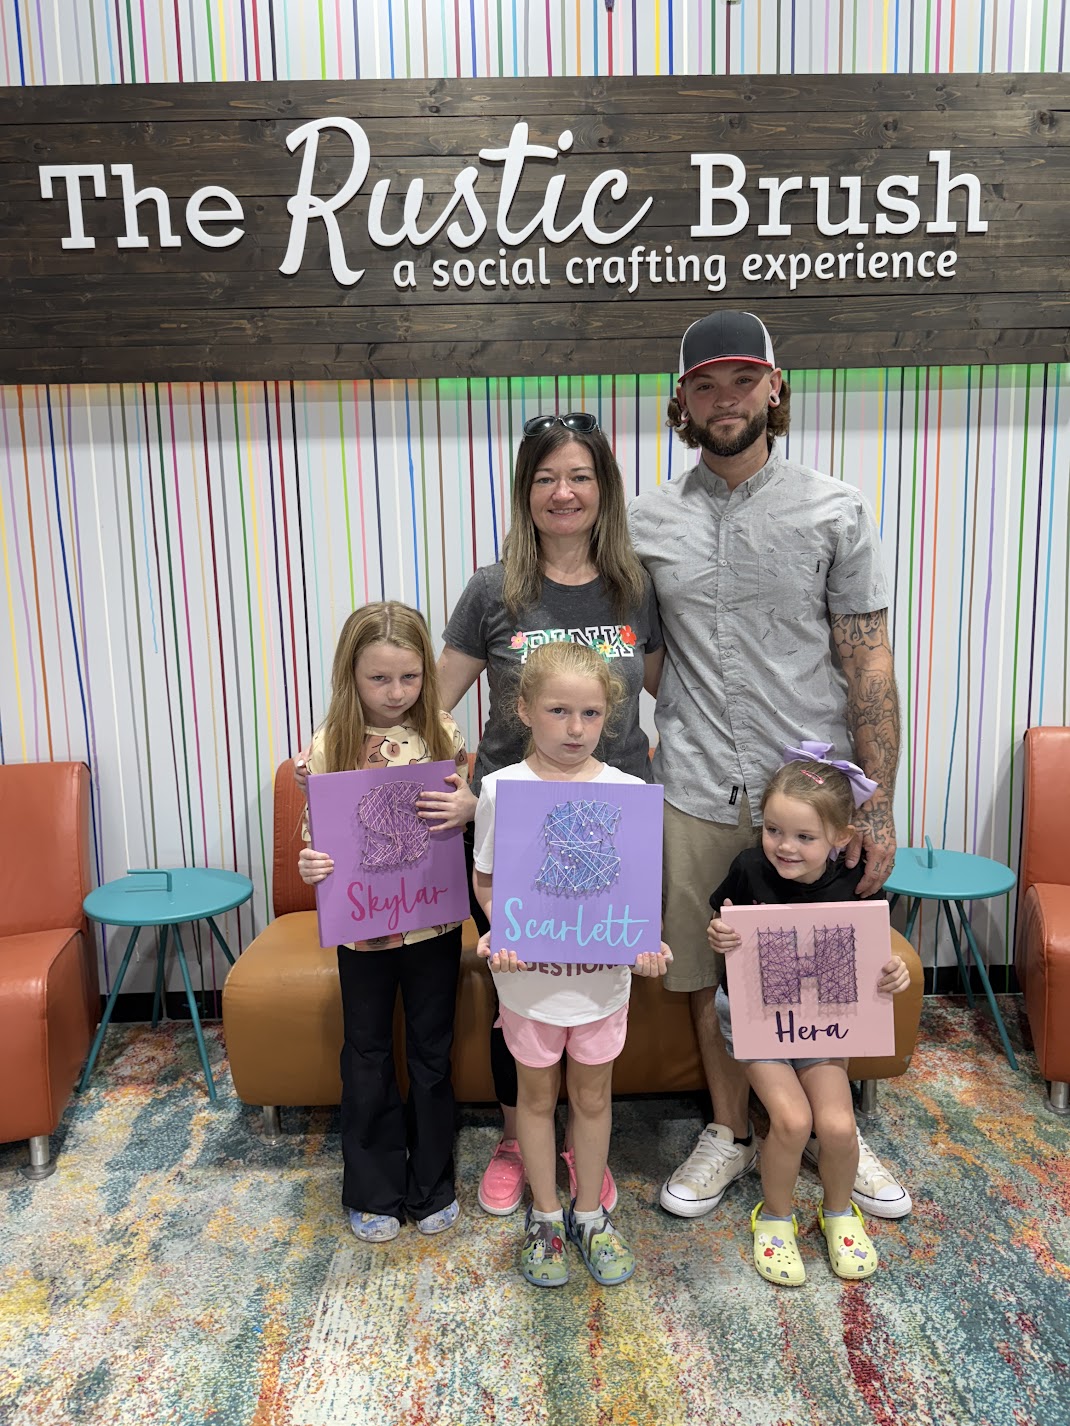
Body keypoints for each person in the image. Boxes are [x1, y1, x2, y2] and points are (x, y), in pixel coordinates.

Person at [628, 309, 908, 1222]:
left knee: (826, 969)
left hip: (815, 799)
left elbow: (867, 657)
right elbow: (645, 654)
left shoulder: (835, 507)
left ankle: (839, 1133)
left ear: (774, 387)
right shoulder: (645, 523)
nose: (725, 400)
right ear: (682, 399)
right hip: (700, 789)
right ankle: (730, 1130)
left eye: (742, 381)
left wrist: (879, 805)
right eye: (705, 384)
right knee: (715, 975)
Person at [423, 411, 664, 1219]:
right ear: (527, 492)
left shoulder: (635, 585)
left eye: (580, 477)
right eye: (546, 478)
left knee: (594, 1002)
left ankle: (580, 1147)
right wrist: (453, 788)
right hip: (511, 825)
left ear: (604, 489)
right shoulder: (493, 590)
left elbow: (669, 691)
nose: (564, 493)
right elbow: (436, 706)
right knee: (516, 991)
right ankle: (510, 1137)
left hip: (612, 824)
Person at [471, 641, 671, 1287]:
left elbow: (640, 891)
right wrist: (500, 928)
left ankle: (590, 1214)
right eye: (559, 711)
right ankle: (547, 1215)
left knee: (591, 1098)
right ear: (525, 709)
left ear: (608, 717)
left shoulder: (628, 793)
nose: (575, 728)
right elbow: (487, 880)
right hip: (527, 985)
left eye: (589, 714)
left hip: (601, 987)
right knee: (534, 1101)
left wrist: (649, 943)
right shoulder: (502, 790)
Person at [297, 601, 469, 1244]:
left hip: (432, 924)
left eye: (409, 677)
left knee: (432, 1050)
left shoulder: (443, 735)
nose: (396, 693)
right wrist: (311, 864)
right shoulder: (328, 745)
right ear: (351, 675)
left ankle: (432, 1184)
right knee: (366, 1053)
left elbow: (462, 823)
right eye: (379, 679)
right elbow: (316, 838)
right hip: (362, 929)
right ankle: (372, 1187)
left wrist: (468, 809)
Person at [707, 751, 910, 1284]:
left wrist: (894, 974)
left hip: (824, 1020)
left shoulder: (853, 882)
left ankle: (839, 1211)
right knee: (793, 1120)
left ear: (841, 837)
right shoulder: (750, 868)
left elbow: (877, 951)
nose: (784, 847)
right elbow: (722, 925)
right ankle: (774, 1217)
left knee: (839, 1125)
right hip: (757, 1019)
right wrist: (720, 935)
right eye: (774, 830)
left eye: (804, 837)